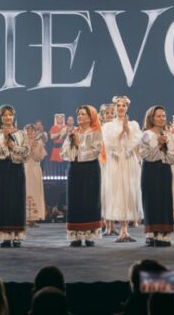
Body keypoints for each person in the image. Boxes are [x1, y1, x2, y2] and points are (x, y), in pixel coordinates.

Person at [101, 95, 143, 243]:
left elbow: (134, 143)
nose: (120, 108)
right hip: (115, 161)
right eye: (118, 105)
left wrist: (127, 130)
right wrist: (122, 132)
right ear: (114, 107)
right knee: (117, 192)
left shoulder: (134, 125)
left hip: (129, 160)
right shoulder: (108, 126)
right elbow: (109, 144)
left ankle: (125, 230)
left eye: (123, 105)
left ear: (127, 107)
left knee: (128, 191)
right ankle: (117, 228)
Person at [139, 105, 174, 247]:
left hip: (164, 170)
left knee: (165, 200)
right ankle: (151, 234)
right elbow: (145, 155)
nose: (162, 118)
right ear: (151, 118)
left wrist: (166, 149)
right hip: (150, 170)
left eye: (163, 116)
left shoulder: (169, 136)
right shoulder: (146, 135)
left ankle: (163, 234)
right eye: (158, 116)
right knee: (151, 200)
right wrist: (158, 144)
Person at [63, 104, 103, 247]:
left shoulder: (96, 133)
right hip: (75, 169)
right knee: (75, 201)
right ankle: (76, 236)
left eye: (83, 114)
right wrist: (73, 146)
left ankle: (89, 235)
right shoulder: (73, 133)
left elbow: (95, 151)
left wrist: (79, 146)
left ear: (90, 117)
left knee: (90, 200)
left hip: (90, 170)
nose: (79, 116)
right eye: (78, 114)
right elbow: (64, 152)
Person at [0, 105, 29, 247]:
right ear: (0, 118)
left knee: (16, 201)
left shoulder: (22, 134)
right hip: (1, 169)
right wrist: (5, 143)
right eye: (4, 115)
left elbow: (26, 152)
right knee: (2, 200)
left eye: (10, 115)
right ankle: (5, 236)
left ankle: (17, 235)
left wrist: (13, 147)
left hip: (16, 168)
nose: (7, 117)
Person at [25, 123, 47, 225]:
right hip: (24, 169)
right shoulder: (21, 143)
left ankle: (34, 217)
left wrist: (33, 148)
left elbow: (38, 158)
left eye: (32, 130)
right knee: (25, 191)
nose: (30, 132)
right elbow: (21, 156)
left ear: (35, 132)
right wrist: (28, 146)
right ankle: (25, 217)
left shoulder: (39, 143)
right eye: (28, 130)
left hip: (35, 170)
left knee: (35, 192)